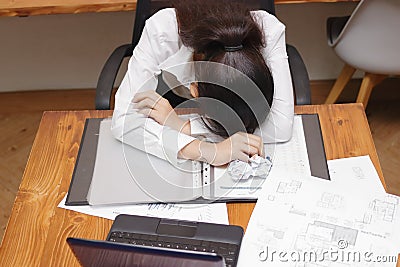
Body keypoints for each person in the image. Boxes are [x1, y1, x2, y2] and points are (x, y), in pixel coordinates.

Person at [111, 0, 294, 167]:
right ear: (195, 90)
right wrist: (207, 151)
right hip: (175, 101)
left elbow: (282, 125)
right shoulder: (163, 30)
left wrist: (184, 127)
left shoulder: (268, 30)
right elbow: (124, 120)